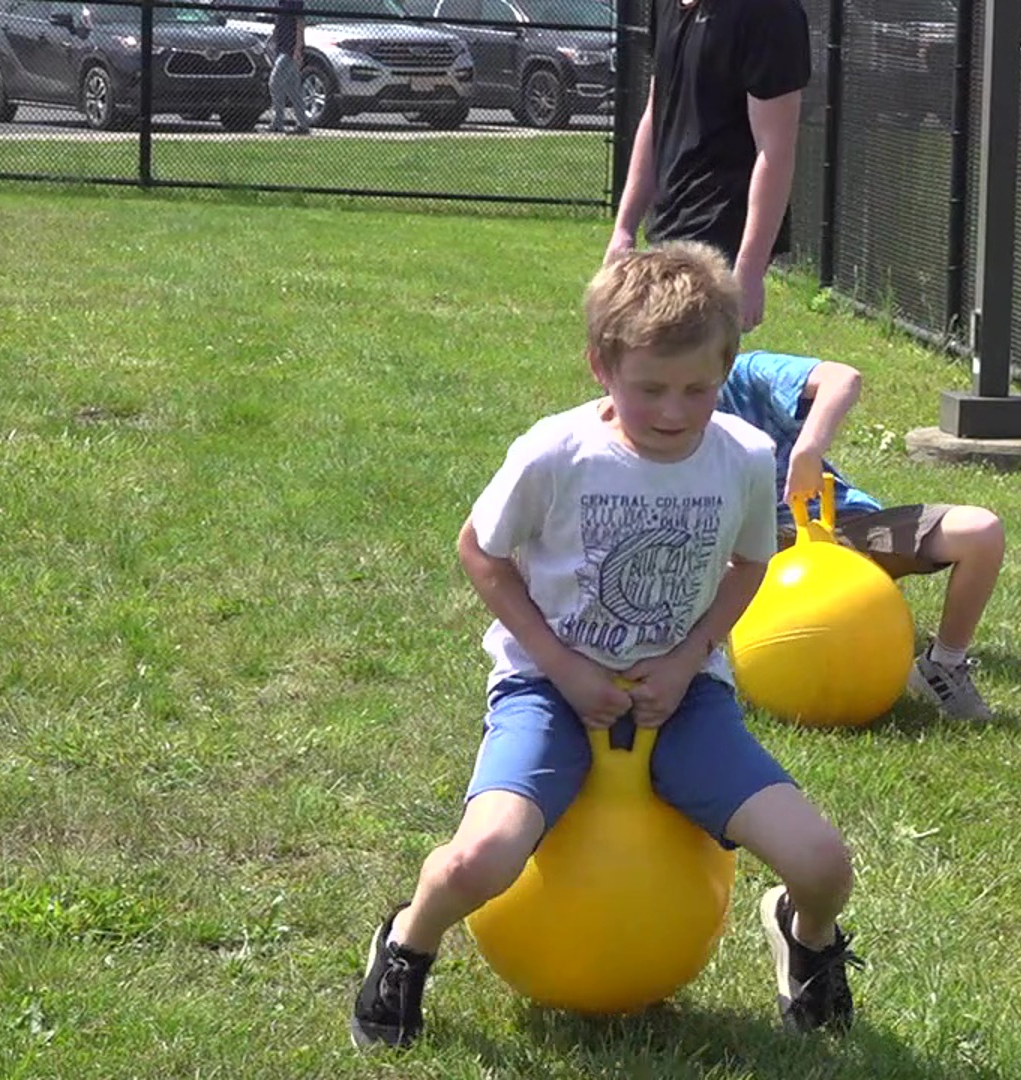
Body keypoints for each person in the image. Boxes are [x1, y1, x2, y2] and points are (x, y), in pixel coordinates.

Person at [349, 244, 863, 1052]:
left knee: (825, 862)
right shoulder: (556, 453)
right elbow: (479, 551)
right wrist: (562, 665)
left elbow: (752, 563)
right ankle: (407, 944)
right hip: (545, 690)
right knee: (480, 859)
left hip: (686, 696)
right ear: (601, 366)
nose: (672, 411)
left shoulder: (743, 457)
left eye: (698, 388)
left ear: (727, 368)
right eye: (649, 388)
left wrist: (690, 654)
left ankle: (806, 937)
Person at [718, 349, 1007, 721]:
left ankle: (942, 666)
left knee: (980, 532)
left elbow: (843, 378)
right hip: (749, 548)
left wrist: (807, 451)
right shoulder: (642, 411)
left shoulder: (745, 373)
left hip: (838, 523)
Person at [603, 0, 811, 333]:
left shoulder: (768, 11)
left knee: (679, 368)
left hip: (719, 233)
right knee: (653, 365)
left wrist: (750, 268)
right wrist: (624, 228)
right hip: (667, 222)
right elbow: (655, 113)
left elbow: (775, 151)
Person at [267, 0, 309, 135]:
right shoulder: (280, 3)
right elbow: (278, 25)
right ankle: (303, 125)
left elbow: (300, 24)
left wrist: (298, 48)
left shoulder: (295, 2)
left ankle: (278, 122)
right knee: (293, 89)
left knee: (275, 83)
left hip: (290, 51)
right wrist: (271, 39)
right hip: (280, 48)